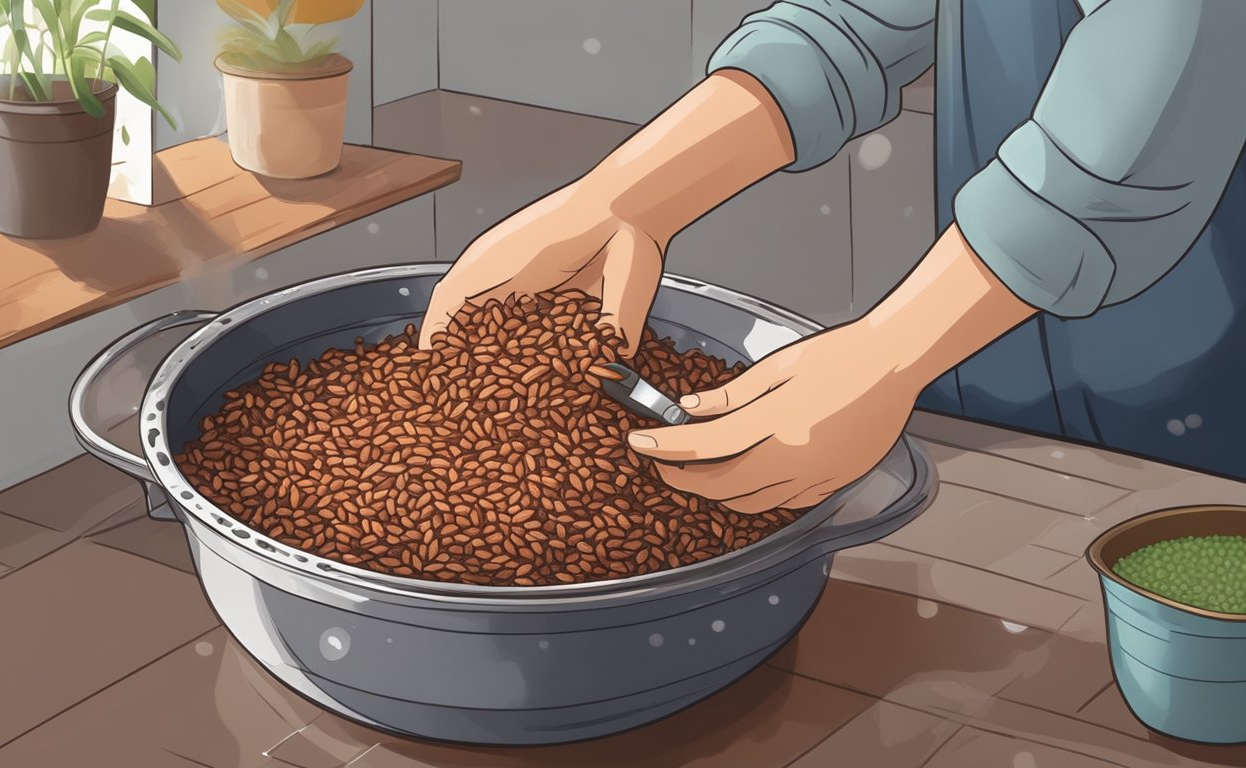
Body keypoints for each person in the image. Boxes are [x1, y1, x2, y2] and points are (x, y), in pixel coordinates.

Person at [421, 0, 1246, 513]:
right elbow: (849, 26)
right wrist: (625, 200)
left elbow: (1163, 83)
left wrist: (890, 352)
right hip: (976, 364)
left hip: (1195, 407)